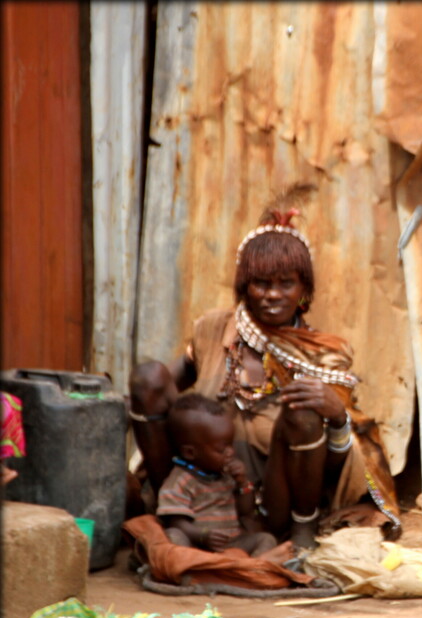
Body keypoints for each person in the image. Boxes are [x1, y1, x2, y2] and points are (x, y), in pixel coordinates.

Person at [130, 186, 401, 549]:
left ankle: (300, 534)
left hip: (277, 503)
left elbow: (338, 465)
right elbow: (159, 391)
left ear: (304, 291)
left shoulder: (325, 354)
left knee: (303, 414)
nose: (273, 294)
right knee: (146, 376)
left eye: (286, 284)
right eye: (261, 283)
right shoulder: (215, 330)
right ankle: (174, 515)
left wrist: (336, 416)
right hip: (202, 490)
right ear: (244, 287)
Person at [156, 392, 292, 560]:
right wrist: (202, 536)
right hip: (197, 547)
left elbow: (245, 510)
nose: (231, 452)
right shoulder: (180, 482)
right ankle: (194, 574)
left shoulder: (226, 475)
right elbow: (177, 523)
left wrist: (243, 482)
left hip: (232, 544)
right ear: (190, 452)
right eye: (222, 449)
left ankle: (252, 569)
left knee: (266, 539)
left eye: (231, 444)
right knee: (174, 536)